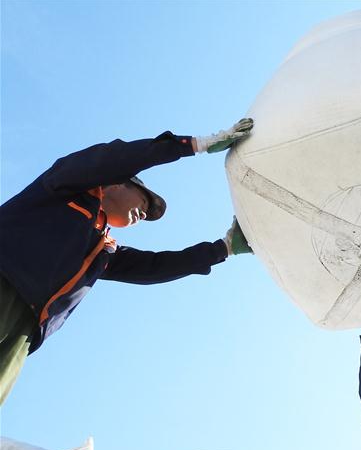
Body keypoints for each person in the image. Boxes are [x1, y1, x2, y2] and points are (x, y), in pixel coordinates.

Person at [0, 119, 255, 404]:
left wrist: (224, 249)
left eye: (145, 215)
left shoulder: (102, 252)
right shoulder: (63, 185)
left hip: (26, 330)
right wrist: (195, 145)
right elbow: (115, 159)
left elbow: (154, 267)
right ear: (117, 183)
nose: (143, 215)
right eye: (144, 202)